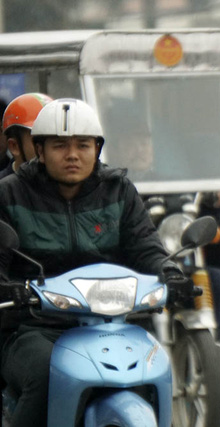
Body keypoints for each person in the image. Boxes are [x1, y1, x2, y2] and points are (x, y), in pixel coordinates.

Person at [0, 98, 192, 426]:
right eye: (60, 145)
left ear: (97, 148)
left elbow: (146, 247)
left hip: (116, 324)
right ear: (40, 150)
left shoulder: (119, 191)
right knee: (46, 375)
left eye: (83, 145)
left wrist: (169, 273)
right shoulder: (9, 194)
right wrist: (10, 289)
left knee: (152, 373)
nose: (73, 154)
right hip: (35, 327)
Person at [0, 93, 53, 179]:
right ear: (14, 146)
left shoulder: (70, 187)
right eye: (39, 140)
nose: (49, 149)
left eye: (56, 141)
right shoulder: (4, 189)